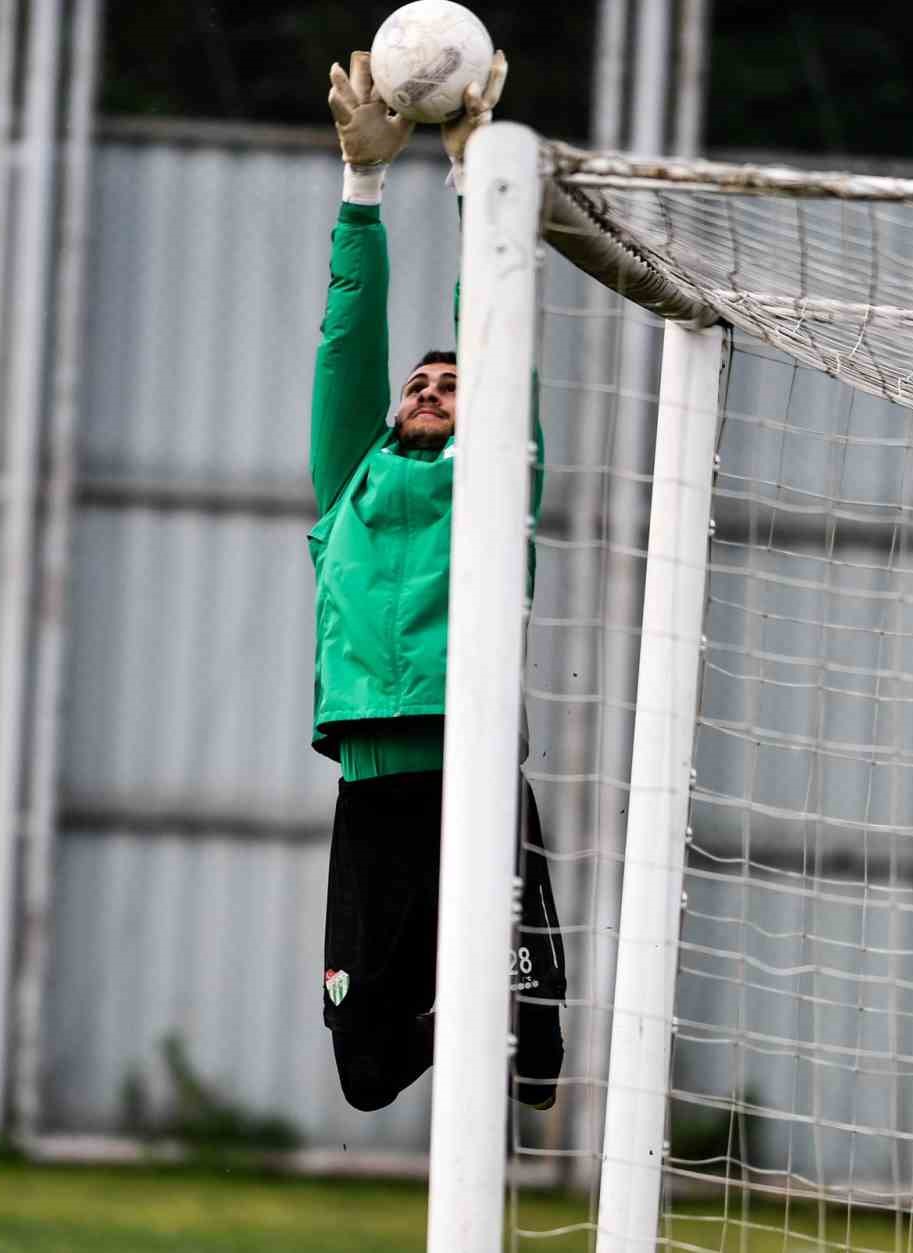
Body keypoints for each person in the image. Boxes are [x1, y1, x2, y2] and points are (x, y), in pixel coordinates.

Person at [310, 51, 567, 1113]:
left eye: (452, 380)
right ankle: (457, 1012)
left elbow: (493, 335)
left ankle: (492, 1011)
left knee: (538, 1064)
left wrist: (475, 184)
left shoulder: (496, 475)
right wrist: (359, 191)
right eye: (416, 382)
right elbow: (344, 349)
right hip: (372, 790)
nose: (427, 385)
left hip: (470, 771)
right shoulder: (349, 490)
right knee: (365, 1073)